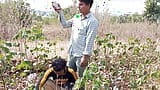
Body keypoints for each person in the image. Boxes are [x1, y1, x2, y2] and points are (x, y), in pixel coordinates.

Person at [52, 0, 99, 77]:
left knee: (81, 78)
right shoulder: (77, 17)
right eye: (78, 4)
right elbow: (65, 24)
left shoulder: (92, 21)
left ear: (88, 5)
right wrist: (60, 12)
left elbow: (90, 40)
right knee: (69, 76)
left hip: (81, 55)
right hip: (72, 53)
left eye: (81, 4)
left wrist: (85, 57)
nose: (78, 6)